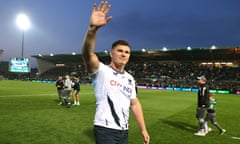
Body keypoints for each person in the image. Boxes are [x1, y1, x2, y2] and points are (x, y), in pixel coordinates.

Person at [81, 1, 150, 144]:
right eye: (120, 51)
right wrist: (92, 30)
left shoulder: (130, 78)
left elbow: (135, 104)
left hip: (123, 130)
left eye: (127, 52)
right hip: (105, 129)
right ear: (111, 54)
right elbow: (87, 54)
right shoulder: (101, 71)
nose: (124, 54)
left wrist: (143, 128)